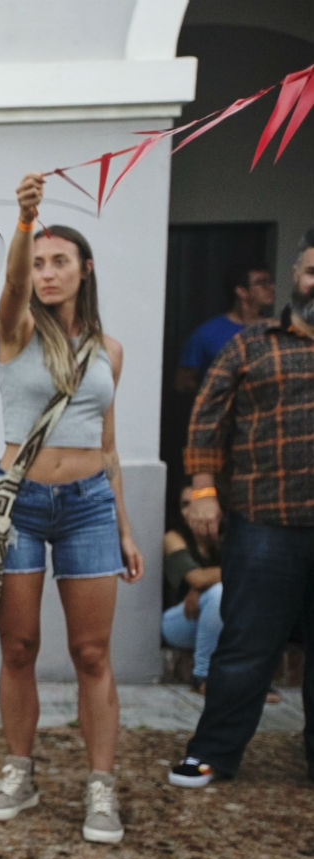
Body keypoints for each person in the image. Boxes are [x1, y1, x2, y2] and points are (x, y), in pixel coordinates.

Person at [0, 173, 143, 845]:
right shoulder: (14, 331)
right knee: (18, 647)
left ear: (84, 271)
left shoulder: (110, 352)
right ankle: (20, 770)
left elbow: (107, 444)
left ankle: (101, 786)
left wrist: (126, 527)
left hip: (89, 506)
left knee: (92, 651)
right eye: (40, 263)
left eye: (58, 261)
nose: (46, 273)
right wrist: (24, 223)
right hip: (19, 502)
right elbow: (13, 287)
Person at [170, 229, 314, 789]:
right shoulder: (251, 344)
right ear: (296, 279)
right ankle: (212, 753)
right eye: (310, 272)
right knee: (244, 646)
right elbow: (207, 418)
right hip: (264, 523)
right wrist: (203, 491)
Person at [174, 263, 276, 394]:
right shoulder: (207, 333)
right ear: (242, 291)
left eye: (270, 282)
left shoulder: (276, 330)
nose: (272, 287)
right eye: (262, 283)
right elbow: (182, 383)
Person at [161, 483, 224, 696]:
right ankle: (202, 676)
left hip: (222, 620)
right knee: (218, 594)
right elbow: (197, 578)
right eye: (185, 504)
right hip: (180, 620)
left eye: (197, 503)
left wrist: (204, 586)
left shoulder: (228, 536)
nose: (192, 510)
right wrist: (204, 586)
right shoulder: (174, 537)